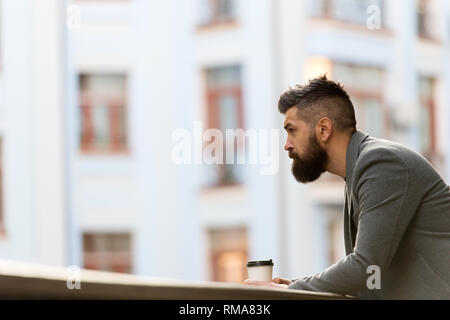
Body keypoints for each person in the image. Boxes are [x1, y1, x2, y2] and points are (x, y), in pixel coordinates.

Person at [244, 75, 450, 299]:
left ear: (323, 129)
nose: (287, 145)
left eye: (291, 130)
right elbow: (372, 279)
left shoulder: (381, 163)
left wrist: (293, 290)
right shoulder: (358, 171)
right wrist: (295, 285)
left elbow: (366, 268)